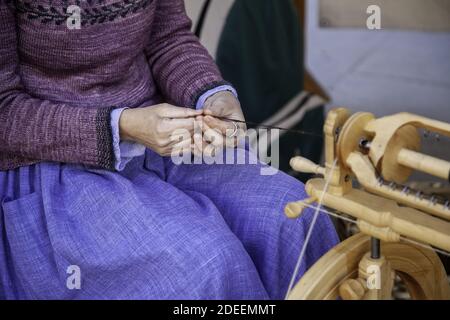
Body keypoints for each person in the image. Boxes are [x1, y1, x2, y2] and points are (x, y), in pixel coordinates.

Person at [0, 0, 338, 299]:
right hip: (53, 161)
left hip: (162, 135)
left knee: (294, 214)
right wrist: (123, 125)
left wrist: (214, 95)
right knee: (206, 265)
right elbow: (5, 111)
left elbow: (168, 39)